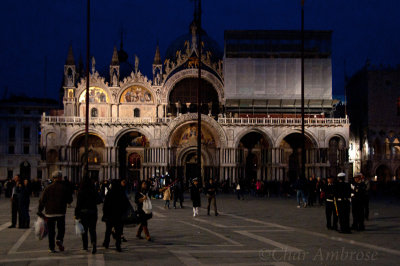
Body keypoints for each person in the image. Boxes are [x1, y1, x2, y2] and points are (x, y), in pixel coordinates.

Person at [38, 171, 73, 253]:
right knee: (61, 228)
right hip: (60, 212)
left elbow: (42, 200)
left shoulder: (47, 188)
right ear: (60, 178)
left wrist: (40, 210)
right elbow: (70, 200)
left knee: (51, 231)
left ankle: (51, 247)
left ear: (53, 178)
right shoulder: (64, 188)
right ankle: (59, 239)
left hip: (49, 213)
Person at [102, 179, 130, 252]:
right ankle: (118, 245)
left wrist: (105, 213)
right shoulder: (121, 192)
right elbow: (126, 204)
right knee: (118, 231)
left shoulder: (110, 193)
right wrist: (122, 211)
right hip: (118, 215)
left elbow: (105, 204)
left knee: (108, 230)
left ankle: (106, 243)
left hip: (110, 215)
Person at [75, 178, 101, 254]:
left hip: (83, 213)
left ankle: (85, 246)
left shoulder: (81, 192)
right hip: (93, 212)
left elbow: (78, 204)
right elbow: (99, 200)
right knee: (92, 230)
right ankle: (93, 243)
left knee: (84, 230)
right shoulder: (94, 191)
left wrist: (76, 214)